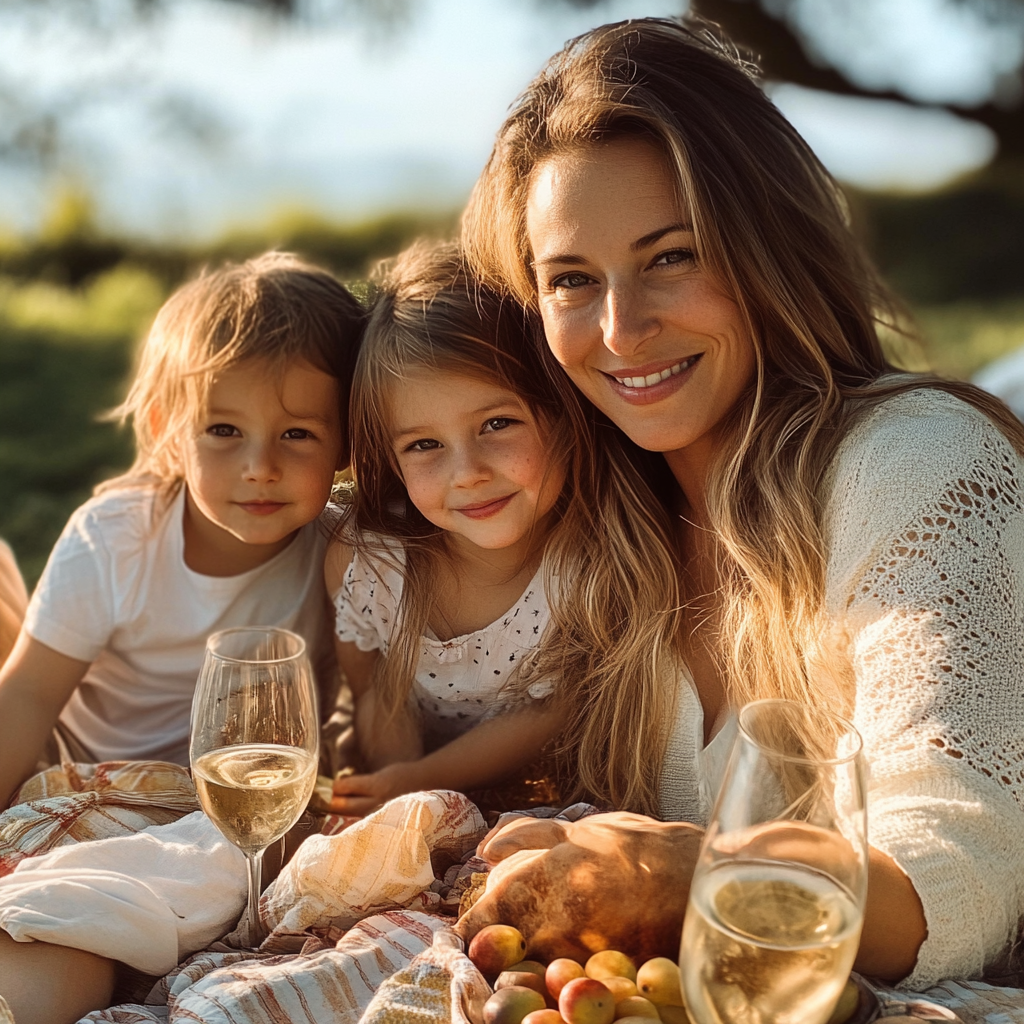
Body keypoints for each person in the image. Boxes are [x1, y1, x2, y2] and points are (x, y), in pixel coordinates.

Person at [457, 16, 1024, 992]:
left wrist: (679, 871)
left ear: (767, 246)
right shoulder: (599, 523)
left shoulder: (918, 467)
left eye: (671, 256)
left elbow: (956, 883)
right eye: (571, 280)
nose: (621, 329)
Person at [0, 251, 366, 814]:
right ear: (168, 431)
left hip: (241, 797)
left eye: (296, 433)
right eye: (224, 429)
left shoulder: (342, 550)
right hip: (88, 772)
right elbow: (27, 697)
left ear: (346, 441)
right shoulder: (116, 539)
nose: (259, 466)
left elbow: (372, 699)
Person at [328, 242, 666, 815]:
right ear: (389, 457)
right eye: (424, 444)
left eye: (497, 423)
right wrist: (402, 790)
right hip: (406, 778)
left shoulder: (589, 564)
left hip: (539, 795)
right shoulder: (371, 562)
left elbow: (546, 713)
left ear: (564, 412)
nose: (468, 474)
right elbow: (375, 689)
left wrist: (423, 780)